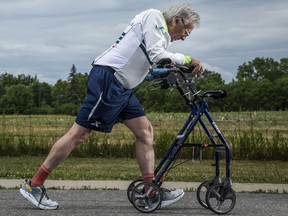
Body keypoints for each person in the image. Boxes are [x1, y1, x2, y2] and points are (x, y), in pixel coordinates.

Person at [20, 3, 204, 210]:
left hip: (123, 88)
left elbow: (147, 60)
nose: (185, 36)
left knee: (145, 131)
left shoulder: (159, 33)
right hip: (109, 80)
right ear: (177, 20)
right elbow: (157, 55)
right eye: (186, 31)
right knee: (79, 134)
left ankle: (149, 190)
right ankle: (34, 184)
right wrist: (189, 59)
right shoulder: (155, 17)